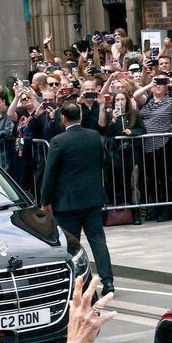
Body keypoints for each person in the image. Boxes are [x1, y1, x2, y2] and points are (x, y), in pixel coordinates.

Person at [40, 100, 116, 296]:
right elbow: (104, 161)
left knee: (72, 245)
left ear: (63, 119)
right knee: (98, 240)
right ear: (80, 116)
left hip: (67, 201)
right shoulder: (94, 136)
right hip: (92, 197)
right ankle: (108, 282)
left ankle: (77, 283)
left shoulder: (58, 141)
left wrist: (45, 201)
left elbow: (50, 173)